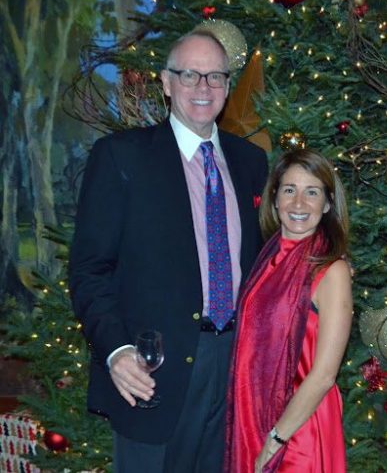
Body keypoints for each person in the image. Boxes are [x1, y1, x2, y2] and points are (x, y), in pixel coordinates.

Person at [69, 30, 268, 473]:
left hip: (235, 366)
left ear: (228, 85)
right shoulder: (122, 157)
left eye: (215, 76)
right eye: (189, 75)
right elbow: (89, 270)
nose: (203, 88)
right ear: (165, 82)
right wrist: (116, 350)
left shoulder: (251, 163)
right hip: (151, 371)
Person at [225, 149, 353, 472]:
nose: (299, 203)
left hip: (298, 429)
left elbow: (324, 375)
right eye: (289, 190)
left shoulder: (331, 271)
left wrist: (277, 437)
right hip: (255, 419)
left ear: (326, 205)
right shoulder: (265, 259)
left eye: (312, 192)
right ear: (275, 199)